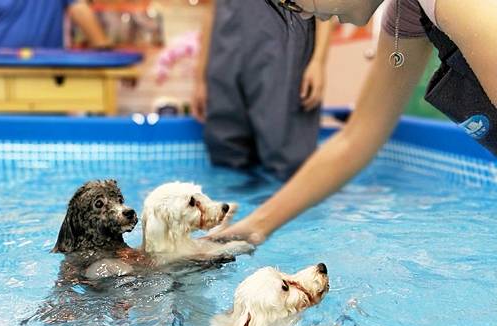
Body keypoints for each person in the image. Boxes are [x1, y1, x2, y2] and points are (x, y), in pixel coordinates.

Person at [211, 0, 497, 244]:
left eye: (291, 1)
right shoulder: (407, 13)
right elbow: (356, 139)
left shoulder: (457, 5)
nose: (304, 15)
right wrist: (254, 227)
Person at [192, 0, 332, 180]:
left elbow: (326, 4)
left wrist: (318, 61)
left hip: (284, 51)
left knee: (286, 156)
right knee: (226, 150)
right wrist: (201, 78)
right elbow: (211, 10)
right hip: (225, 52)